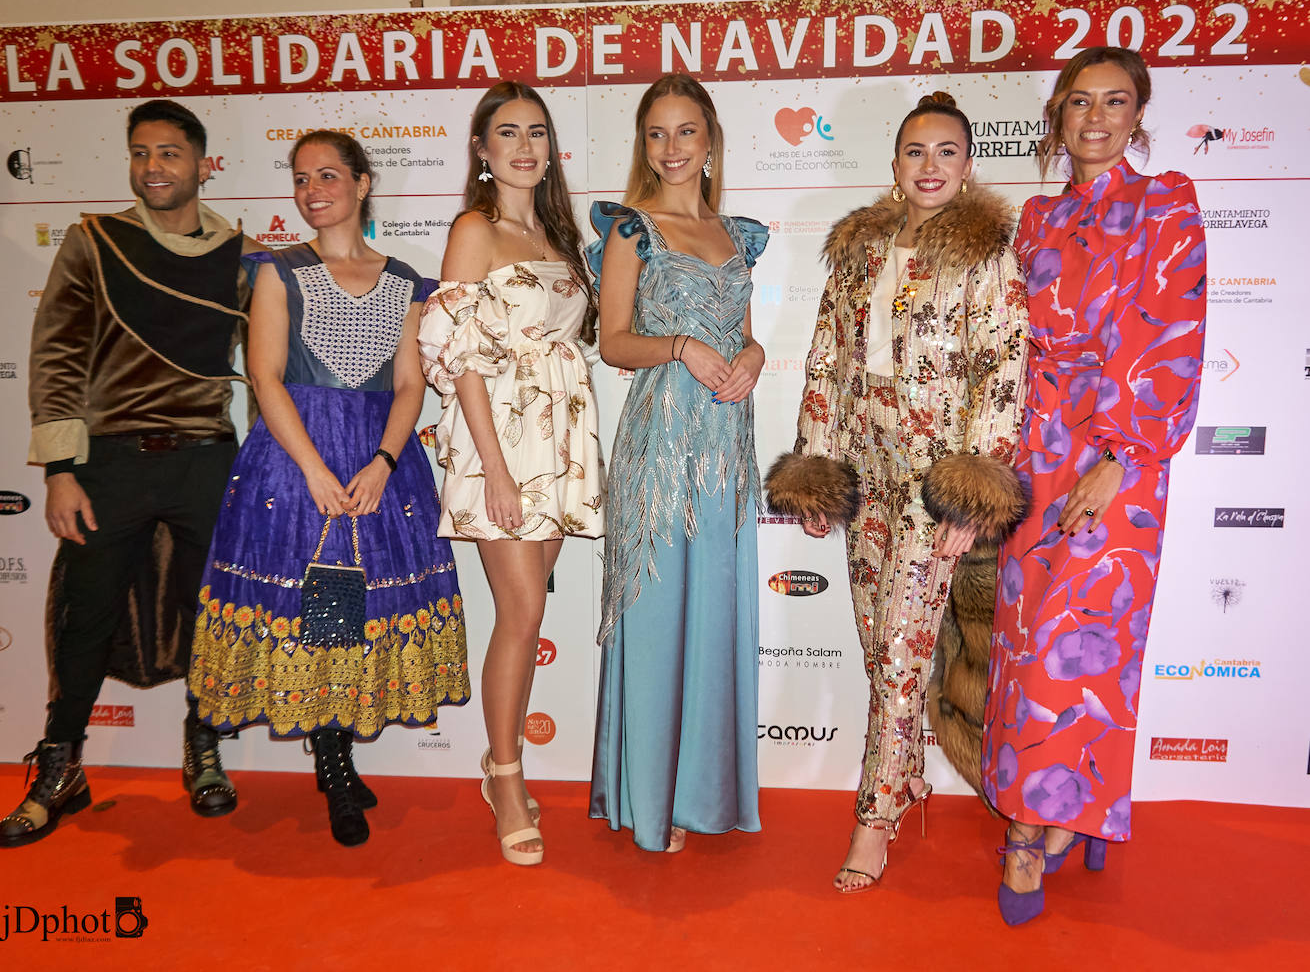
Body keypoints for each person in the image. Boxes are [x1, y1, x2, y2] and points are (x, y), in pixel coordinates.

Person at [767, 92, 1029, 892]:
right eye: (916, 151)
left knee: (901, 650)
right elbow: (824, 362)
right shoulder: (857, 250)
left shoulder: (987, 253)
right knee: (879, 643)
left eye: (946, 152)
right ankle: (909, 773)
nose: (929, 166)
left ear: (968, 164)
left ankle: (874, 817)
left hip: (933, 485)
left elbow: (1005, 371)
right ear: (894, 164)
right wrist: (817, 469)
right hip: (867, 477)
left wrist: (970, 495)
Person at [187, 131, 469, 847]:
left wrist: (381, 461)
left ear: (363, 183)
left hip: (380, 468)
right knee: (314, 602)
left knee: (352, 605)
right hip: (295, 463)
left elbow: (411, 384)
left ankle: (336, 751)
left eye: (329, 175)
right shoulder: (278, 273)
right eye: (301, 177)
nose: (313, 190)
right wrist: (314, 468)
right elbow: (266, 376)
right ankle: (333, 760)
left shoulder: (407, 281)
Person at [0, 99, 262, 848]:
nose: (154, 168)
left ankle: (203, 747)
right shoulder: (92, 241)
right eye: (141, 154)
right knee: (86, 614)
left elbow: (269, 364)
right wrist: (59, 467)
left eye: (170, 154)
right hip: (108, 460)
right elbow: (56, 355)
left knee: (210, 613)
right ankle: (61, 765)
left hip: (207, 457)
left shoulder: (242, 258)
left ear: (202, 164)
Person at [982, 47, 1207, 925]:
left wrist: (1120, 456)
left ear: (1137, 116)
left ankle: (1034, 833)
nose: (1097, 117)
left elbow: (1173, 331)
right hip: (1034, 454)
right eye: (1081, 102)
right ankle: (1056, 805)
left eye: (1116, 102)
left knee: (1085, 656)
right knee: (1025, 642)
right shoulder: (1034, 219)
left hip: (1122, 460)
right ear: (1058, 116)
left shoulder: (1168, 204)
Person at [418, 82, 603, 866]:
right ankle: (504, 775)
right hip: (500, 439)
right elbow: (454, 354)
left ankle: (502, 770)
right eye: (507, 133)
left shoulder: (562, 238)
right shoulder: (474, 229)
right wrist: (492, 468)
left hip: (558, 442)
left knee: (526, 617)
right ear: (482, 151)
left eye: (536, 132)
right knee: (522, 609)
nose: (524, 146)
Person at [587, 73, 767, 854]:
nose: (671, 148)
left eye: (685, 131)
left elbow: (747, 330)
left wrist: (753, 353)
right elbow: (612, 340)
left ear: (711, 140)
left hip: (726, 441)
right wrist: (682, 348)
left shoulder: (736, 234)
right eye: (656, 134)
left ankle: (703, 791)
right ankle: (649, 797)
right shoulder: (633, 230)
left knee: (716, 614)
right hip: (662, 441)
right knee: (659, 617)